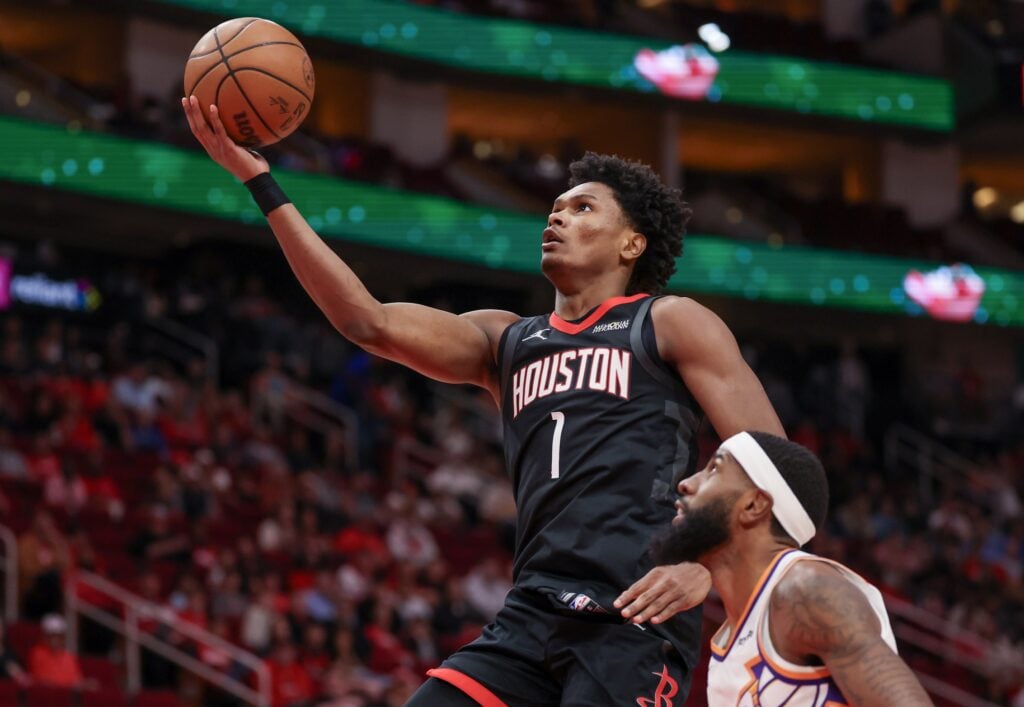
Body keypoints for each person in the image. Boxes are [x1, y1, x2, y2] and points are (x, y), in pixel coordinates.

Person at [183, 97, 784, 705]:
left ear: (632, 245)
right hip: (531, 611)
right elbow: (368, 321)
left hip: (635, 613)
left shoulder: (672, 323)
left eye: (582, 208)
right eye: (553, 209)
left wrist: (710, 568)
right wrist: (260, 182)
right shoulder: (505, 339)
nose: (557, 218)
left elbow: (779, 473)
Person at [649, 431, 933, 706]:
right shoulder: (728, 640)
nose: (686, 483)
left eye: (713, 470)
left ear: (753, 505)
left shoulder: (806, 590)